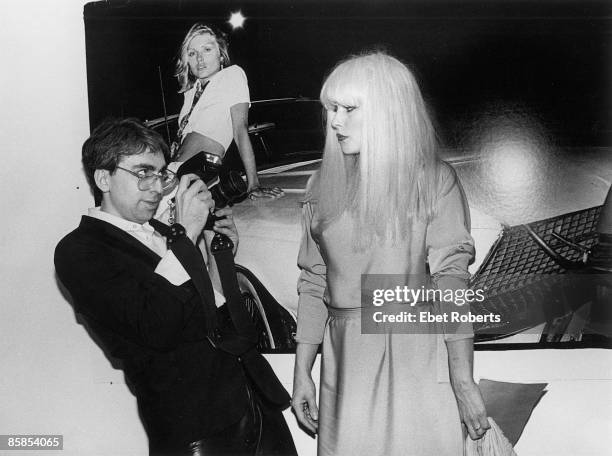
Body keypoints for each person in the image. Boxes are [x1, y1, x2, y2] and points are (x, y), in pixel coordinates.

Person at [55, 118, 297, 456]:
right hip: (197, 430)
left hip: (256, 406)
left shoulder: (167, 235)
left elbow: (227, 328)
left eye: (161, 174)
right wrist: (185, 238)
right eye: (143, 173)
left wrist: (218, 255)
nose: (156, 188)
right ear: (103, 178)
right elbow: (157, 326)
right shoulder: (80, 250)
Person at [291, 52, 490, 455]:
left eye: (348, 108)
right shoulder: (319, 185)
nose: (335, 121)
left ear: (388, 112)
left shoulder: (434, 180)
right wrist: (301, 373)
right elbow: (313, 282)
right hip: (345, 359)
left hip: (414, 352)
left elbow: (451, 278)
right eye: (331, 108)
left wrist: (463, 379)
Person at [172, 23, 283, 200]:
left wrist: (253, 184)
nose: (200, 59)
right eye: (192, 53)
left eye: (207, 50)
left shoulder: (232, 75)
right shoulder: (190, 92)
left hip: (194, 182)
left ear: (221, 55)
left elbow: (240, 130)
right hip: (172, 176)